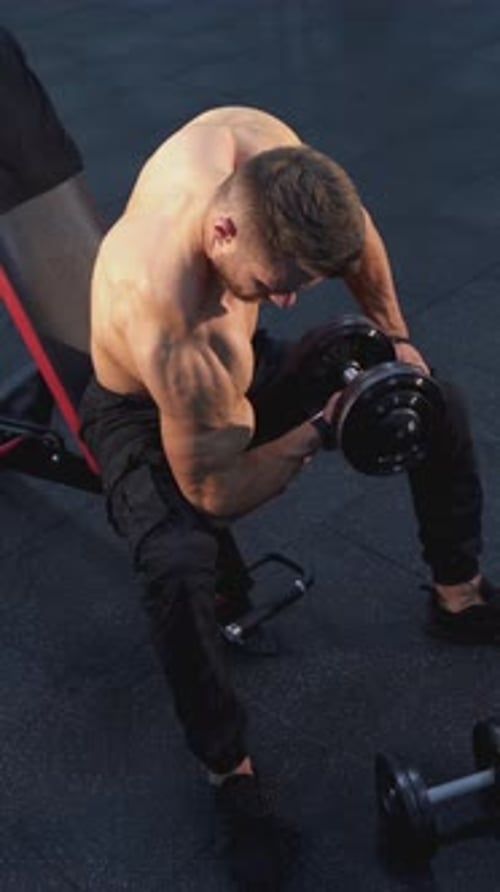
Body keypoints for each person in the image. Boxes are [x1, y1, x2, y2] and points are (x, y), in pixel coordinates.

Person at [79, 106, 498, 888]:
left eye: (301, 283)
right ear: (224, 235)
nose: (288, 303)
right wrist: (320, 431)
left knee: (435, 397)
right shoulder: (178, 321)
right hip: (144, 413)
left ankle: (457, 594)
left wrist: (397, 341)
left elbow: (357, 235)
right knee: (176, 559)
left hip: (237, 377)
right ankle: (229, 772)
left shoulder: (257, 152)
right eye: (278, 285)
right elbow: (216, 493)